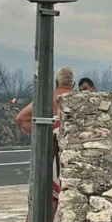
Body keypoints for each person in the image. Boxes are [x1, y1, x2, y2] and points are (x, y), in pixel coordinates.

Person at [16, 67, 76, 204]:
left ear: (56, 82)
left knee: (52, 198)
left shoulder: (47, 99)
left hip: (50, 153)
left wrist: (41, 134)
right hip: (73, 154)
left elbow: (20, 119)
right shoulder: (78, 100)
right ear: (73, 84)